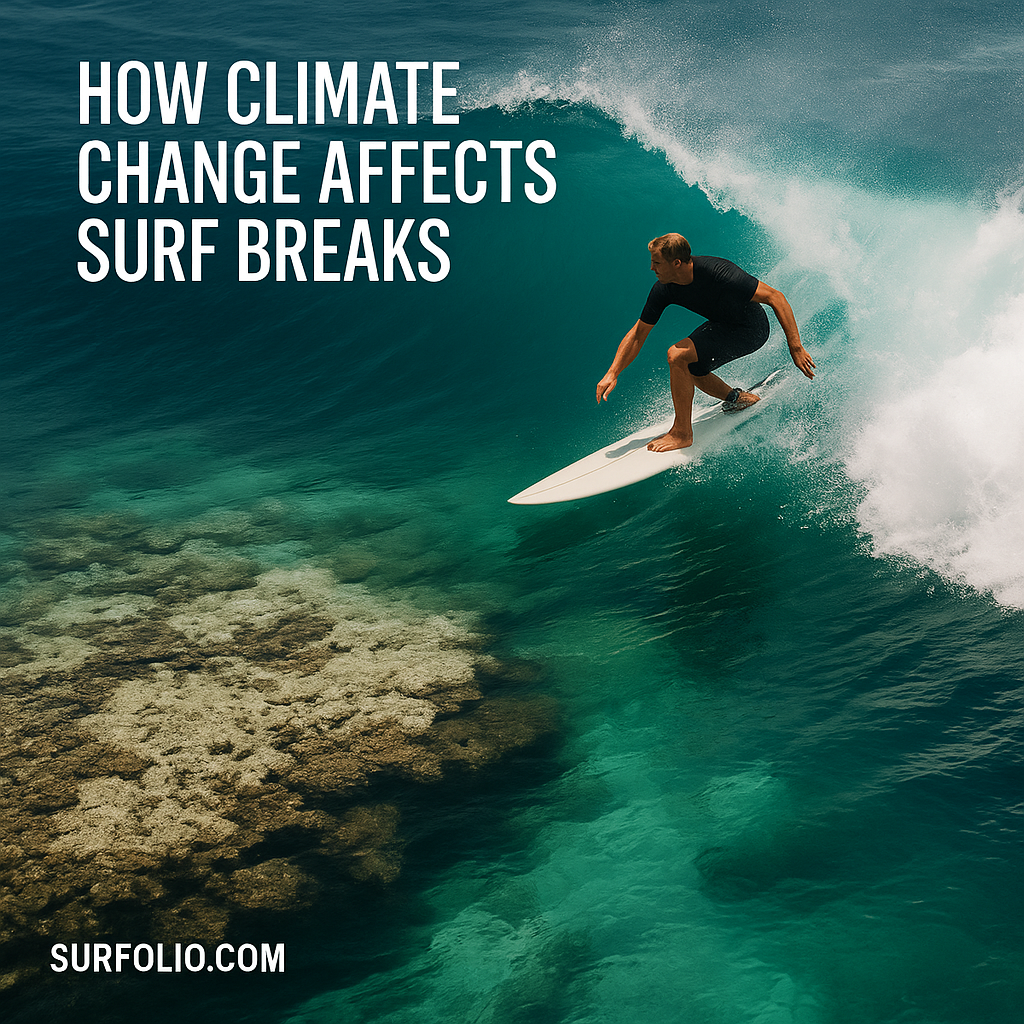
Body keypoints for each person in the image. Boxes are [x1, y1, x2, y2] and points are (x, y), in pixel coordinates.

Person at [595, 233, 815, 452]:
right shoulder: (665, 288)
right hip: (722, 324)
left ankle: (682, 433)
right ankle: (737, 398)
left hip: (751, 329)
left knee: (677, 355)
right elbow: (638, 334)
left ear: (677, 263)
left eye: (657, 262)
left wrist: (795, 348)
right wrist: (613, 372)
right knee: (693, 367)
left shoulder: (719, 272)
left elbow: (776, 297)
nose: (652, 268)